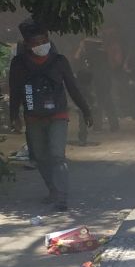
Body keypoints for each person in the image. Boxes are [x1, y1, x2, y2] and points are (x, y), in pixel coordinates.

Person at [8, 18, 93, 210]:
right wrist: (14, 116)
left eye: (43, 41)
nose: (40, 45)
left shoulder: (59, 61)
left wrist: (85, 110)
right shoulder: (18, 64)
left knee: (57, 155)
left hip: (58, 116)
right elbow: (15, 91)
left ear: (48, 39)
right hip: (32, 117)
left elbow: (73, 87)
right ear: (27, 45)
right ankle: (53, 189)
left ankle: (61, 197)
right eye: (35, 43)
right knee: (39, 157)